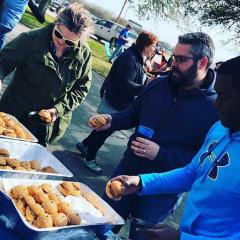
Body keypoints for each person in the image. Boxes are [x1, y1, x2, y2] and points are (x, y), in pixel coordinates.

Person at [92, 32, 219, 240]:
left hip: (160, 195)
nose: (173, 63)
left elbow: (202, 164)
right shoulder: (158, 84)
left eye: (181, 59)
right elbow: (133, 113)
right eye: (173, 57)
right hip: (125, 174)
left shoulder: (216, 110)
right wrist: (112, 121)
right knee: (98, 229)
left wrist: (160, 154)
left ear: (203, 62)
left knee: (142, 238)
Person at [111, 56, 240, 240]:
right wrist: (142, 182)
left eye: (224, 97)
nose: (217, 104)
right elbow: (192, 172)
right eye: (217, 94)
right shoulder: (220, 128)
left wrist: (182, 239)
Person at [0, 3, 93, 145]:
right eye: (58, 34)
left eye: (69, 42)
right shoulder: (30, 40)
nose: (61, 42)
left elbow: (81, 89)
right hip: (14, 115)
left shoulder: (84, 56)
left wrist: (58, 110)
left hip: (45, 127)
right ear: (56, 23)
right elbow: (3, 61)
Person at [76, 31, 158, 174]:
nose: (154, 50)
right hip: (115, 102)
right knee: (104, 131)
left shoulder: (137, 57)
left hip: (119, 102)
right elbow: (125, 83)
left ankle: (84, 145)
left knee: (103, 129)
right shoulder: (130, 58)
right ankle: (89, 158)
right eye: (153, 46)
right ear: (145, 45)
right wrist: (145, 88)